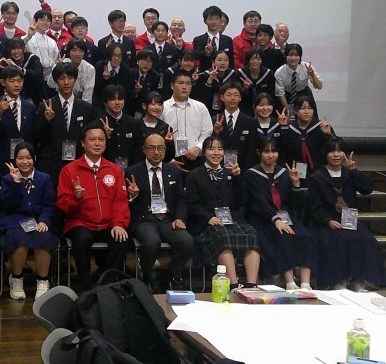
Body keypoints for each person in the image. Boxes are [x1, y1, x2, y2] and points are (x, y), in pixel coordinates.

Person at [56, 122, 130, 290]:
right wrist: (75, 198)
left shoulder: (115, 170)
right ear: (83, 143)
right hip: (79, 223)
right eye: (92, 140)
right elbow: (62, 204)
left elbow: (121, 200)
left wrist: (119, 224)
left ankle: (108, 283)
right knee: (82, 240)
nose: (97, 144)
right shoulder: (69, 170)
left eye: (101, 140)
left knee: (121, 238)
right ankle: (85, 286)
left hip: (108, 224)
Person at [307, 137, 385, 291]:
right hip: (326, 221)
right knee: (331, 241)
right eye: (332, 151)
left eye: (339, 151)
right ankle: (335, 281)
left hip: (349, 219)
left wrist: (354, 171)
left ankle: (362, 280)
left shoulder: (349, 173)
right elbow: (314, 207)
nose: (336, 155)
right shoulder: (316, 177)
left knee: (366, 240)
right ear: (326, 154)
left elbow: (367, 189)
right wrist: (328, 220)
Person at [185, 136, 260, 289]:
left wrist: (237, 179)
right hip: (206, 223)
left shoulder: (230, 173)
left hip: (230, 220)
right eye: (211, 148)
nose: (216, 153)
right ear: (204, 152)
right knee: (223, 237)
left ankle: (252, 285)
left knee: (251, 234)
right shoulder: (194, 175)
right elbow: (192, 205)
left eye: (220, 149)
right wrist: (208, 218)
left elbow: (240, 201)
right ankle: (233, 284)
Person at [244, 138, 316, 289]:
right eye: (266, 152)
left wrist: (296, 185)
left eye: (274, 152)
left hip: (285, 217)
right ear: (259, 153)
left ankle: (305, 283)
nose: (271, 155)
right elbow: (259, 203)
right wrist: (276, 220)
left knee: (306, 236)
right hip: (263, 219)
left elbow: (295, 204)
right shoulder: (252, 175)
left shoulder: (283, 173)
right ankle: (290, 282)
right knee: (282, 235)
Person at [125, 134, 194, 291]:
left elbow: (181, 199)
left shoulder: (173, 171)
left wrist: (180, 218)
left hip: (168, 219)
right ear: (144, 150)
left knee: (186, 241)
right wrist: (132, 196)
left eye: (160, 148)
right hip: (145, 219)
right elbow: (124, 202)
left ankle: (172, 277)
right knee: (152, 242)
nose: (156, 152)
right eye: (152, 148)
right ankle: (146, 278)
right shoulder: (132, 171)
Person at [0, 143, 59, 300]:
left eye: (28, 158)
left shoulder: (44, 178)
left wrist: (44, 221)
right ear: (15, 160)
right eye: (20, 158)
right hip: (14, 220)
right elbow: (8, 206)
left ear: (35, 159)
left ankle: (43, 281)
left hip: (37, 220)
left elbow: (49, 204)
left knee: (43, 237)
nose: (24, 162)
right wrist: (15, 183)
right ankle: (17, 279)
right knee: (18, 239)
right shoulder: (7, 179)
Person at [35, 63, 98, 189]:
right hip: (52, 165)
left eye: (70, 78)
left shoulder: (86, 108)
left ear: (75, 80)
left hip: (78, 163)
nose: (66, 82)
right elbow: (38, 137)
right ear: (56, 81)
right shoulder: (46, 106)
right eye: (62, 78)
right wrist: (47, 121)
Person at [0, 66, 36, 185]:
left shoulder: (30, 107)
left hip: (25, 165)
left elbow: (33, 136)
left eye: (19, 81)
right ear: (3, 82)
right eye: (12, 81)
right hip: (1, 165)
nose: (16, 85)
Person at [161, 70, 212, 172]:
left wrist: (198, 147)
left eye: (188, 83)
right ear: (172, 85)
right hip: (170, 161)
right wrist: (170, 160)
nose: (184, 87)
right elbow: (157, 134)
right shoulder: (163, 108)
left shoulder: (200, 107)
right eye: (181, 83)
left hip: (196, 159)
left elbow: (207, 132)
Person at [280, 95, 333, 181]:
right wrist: (283, 128)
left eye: (310, 108)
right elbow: (283, 152)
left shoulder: (321, 127)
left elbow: (334, 148)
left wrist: (328, 135)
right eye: (302, 108)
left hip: (319, 172)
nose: (306, 112)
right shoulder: (290, 129)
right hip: (295, 172)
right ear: (295, 111)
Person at [210, 82, 256, 171]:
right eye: (229, 95)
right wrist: (216, 133)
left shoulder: (250, 121)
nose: (232, 98)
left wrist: (247, 172)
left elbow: (251, 150)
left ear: (240, 98)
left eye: (236, 95)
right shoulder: (214, 120)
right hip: (219, 168)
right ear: (222, 97)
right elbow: (209, 146)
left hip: (243, 169)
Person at [99, 85, 143, 170]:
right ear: (105, 102)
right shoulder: (99, 123)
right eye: (112, 99)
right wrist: (106, 137)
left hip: (130, 169)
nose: (117, 103)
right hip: (105, 169)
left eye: (120, 99)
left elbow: (138, 150)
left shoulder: (133, 123)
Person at [275, 43, 322, 114]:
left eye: (296, 55)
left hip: (304, 94)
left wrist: (312, 75)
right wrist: (288, 110)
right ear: (285, 56)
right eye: (290, 55)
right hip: (287, 96)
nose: (293, 58)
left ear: (300, 56)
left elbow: (319, 87)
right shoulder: (279, 72)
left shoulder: (307, 67)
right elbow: (280, 93)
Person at [195, 50, 239, 116]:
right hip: (209, 111)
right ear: (213, 62)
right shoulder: (205, 75)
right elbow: (203, 97)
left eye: (226, 60)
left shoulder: (233, 75)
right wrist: (210, 79)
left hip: (229, 111)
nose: (223, 63)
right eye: (219, 60)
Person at [93, 41, 132, 111]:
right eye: (114, 55)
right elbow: (96, 91)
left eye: (119, 56)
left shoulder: (125, 69)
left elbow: (124, 92)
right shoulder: (100, 66)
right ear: (109, 55)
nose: (116, 58)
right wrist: (105, 80)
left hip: (119, 105)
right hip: (100, 104)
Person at [192, 6, 234, 71]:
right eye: (210, 19)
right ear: (205, 21)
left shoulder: (227, 40)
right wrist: (206, 53)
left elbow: (231, 61)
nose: (214, 22)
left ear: (220, 20)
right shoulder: (198, 40)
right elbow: (196, 57)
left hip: (224, 75)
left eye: (216, 19)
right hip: (205, 74)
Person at [139, 92, 176, 161]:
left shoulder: (166, 128)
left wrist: (168, 143)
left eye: (159, 105)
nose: (156, 108)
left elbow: (170, 157)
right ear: (144, 106)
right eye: (153, 104)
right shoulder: (135, 125)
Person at [24, 9, 58, 85]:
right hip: (32, 76)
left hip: (50, 78)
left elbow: (55, 59)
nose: (45, 23)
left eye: (48, 20)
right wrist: (28, 36)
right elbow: (19, 47)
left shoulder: (52, 41)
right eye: (42, 20)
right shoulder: (27, 38)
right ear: (35, 21)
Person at [237, 48, 275, 116]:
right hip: (245, 108)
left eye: (258, 59)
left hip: (264, 107)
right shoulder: (240, 74)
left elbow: (271, 94)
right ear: (248, 60)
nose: (255, 61)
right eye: (252, 59)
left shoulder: (269, 74)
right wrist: (246, 90)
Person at [7, 37, 43, 106]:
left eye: (18, 48)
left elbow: (37, 75)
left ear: (24, 49)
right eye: (13, 49)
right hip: (14, 98)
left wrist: (18, 68)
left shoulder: (33, 59)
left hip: (34, 96)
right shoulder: (8, 61)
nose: (16, 51)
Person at [128, 49, 161, 115]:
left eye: (149, 62)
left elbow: (153, 94)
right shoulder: (130, 73)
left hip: (146, 107)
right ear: (137, 61)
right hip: (130, 105)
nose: (146, 64)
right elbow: (126, 93)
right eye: (143, 61)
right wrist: (136, 91)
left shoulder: (155, 76)